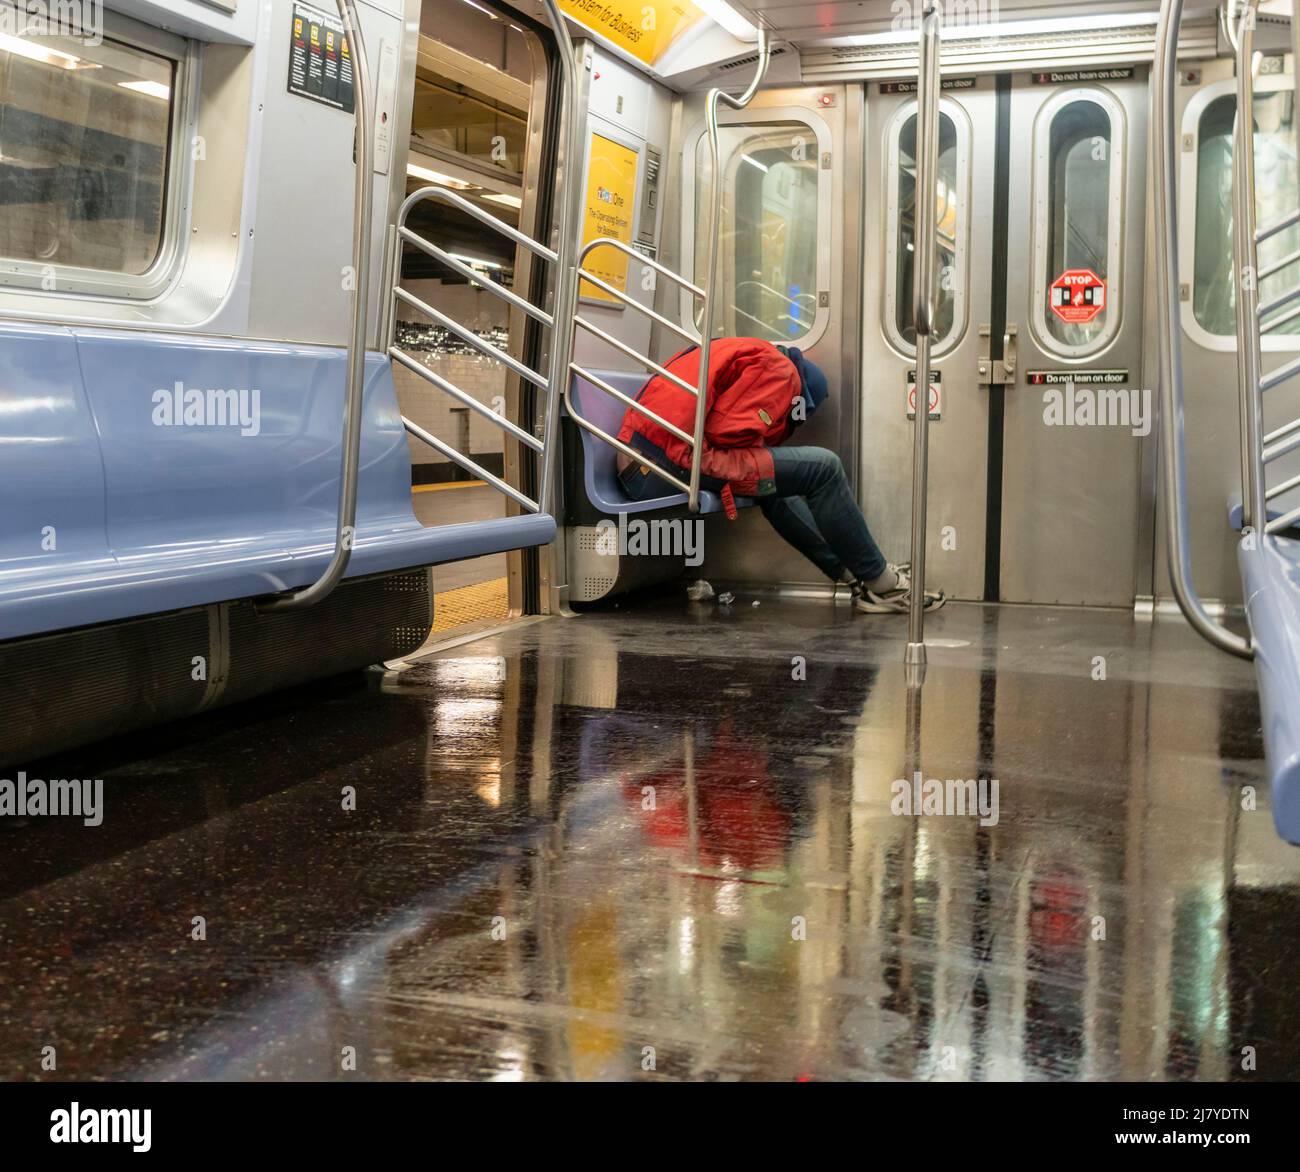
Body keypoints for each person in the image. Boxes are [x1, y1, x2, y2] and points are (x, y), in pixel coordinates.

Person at [615, 337, 944, 614]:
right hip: (662, 465)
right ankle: (882, 584)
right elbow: (723, 435)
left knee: (776, 485)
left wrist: (763, 462)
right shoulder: (781, 372)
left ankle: (856, 579)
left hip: (645, 459)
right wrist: (761, 450)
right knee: (824, 467)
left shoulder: (753, 352)